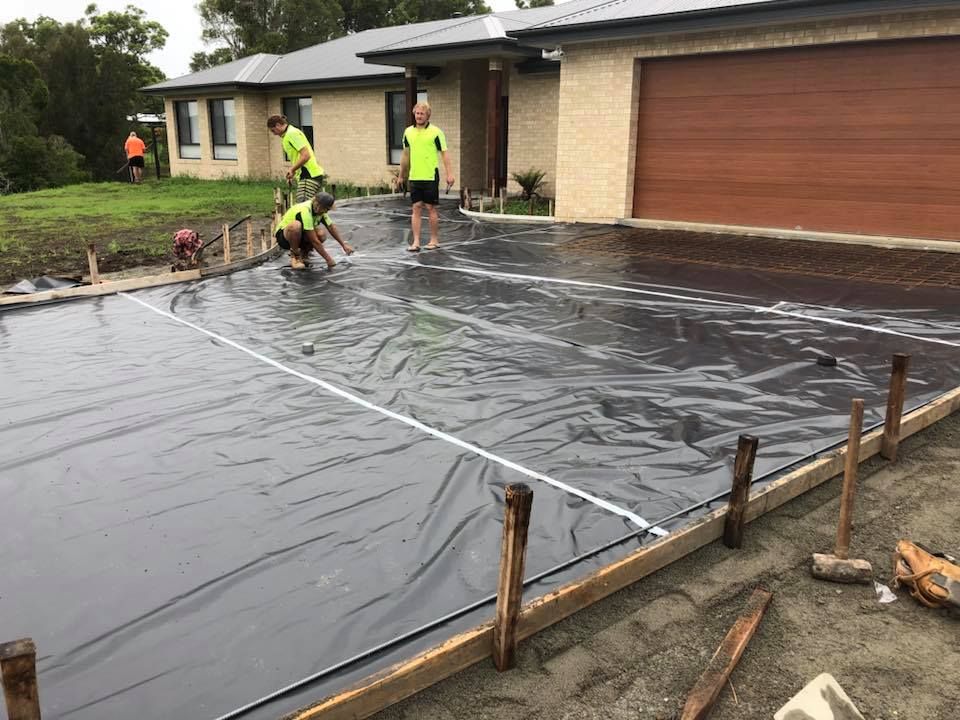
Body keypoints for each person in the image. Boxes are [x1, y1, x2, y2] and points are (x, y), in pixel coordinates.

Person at [400, 101, 454, 252]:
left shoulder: (436, 132)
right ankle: (416, 242)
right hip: (415, 176)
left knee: (430, 207)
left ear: (427, 115)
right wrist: (401, 175)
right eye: (417, 113)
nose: (419, 116)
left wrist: (450, 173)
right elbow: (405, 154)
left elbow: (445, 154)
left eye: (422, 113)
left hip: (430, 176)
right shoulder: (408, 132)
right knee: (416, 207)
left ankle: (434, 240)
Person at [275, 191, 354, 270]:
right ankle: (295, 256)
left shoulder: (320, 211)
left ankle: (304, 253)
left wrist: (343, 245)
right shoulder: (305, 210)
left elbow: (331, 227)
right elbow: (314, 241)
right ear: (319, 205)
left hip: (300, 235)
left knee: (321, 234)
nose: (326, 211)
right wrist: (328, 260)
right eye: (326, 209)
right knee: (295, 226)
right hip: (284, 237)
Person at [267, 114, 324, 202]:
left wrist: (292, 169)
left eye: (273, 130)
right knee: (313, 207)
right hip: (307, 175)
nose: (274, 134)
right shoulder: (288, 135)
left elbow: (306, 155)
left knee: (302, 206)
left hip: (309, 175)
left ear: (278, 125)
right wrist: (293, 172)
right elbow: (297, 157)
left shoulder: (292, 134)